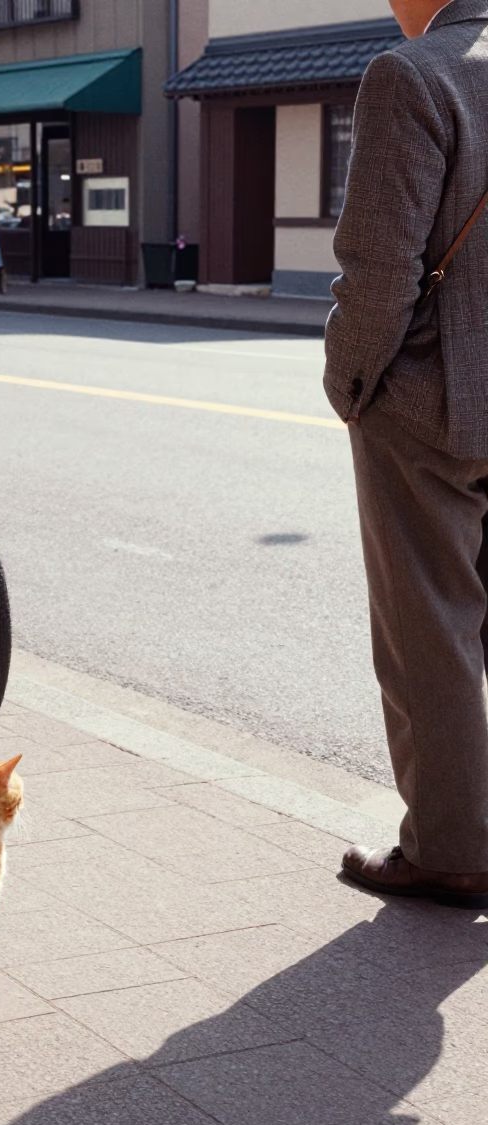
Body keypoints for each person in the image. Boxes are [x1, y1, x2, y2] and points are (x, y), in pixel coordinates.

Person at [325, 0, 488, 906]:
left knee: (432, 629)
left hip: (433, 400)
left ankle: (451, 847)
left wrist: (350, 386)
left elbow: (379, 268)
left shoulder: (413, 74)